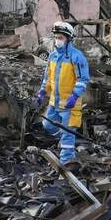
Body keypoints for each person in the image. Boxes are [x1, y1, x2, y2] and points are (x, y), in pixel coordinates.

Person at [36, 21, 90, 166]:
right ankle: (67, 137)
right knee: (47, 125)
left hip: (70, 104)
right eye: (56, 37)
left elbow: (83, 79)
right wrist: (41, 93)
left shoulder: (77, 57)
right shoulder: (52, 57)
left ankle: (66, 163)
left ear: (68, 39)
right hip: (54, 103)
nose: (57, 40)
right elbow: (48, 78)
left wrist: (74, 96)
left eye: (61, 37)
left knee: (67, 136)